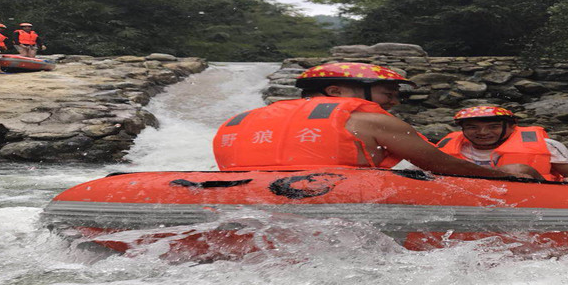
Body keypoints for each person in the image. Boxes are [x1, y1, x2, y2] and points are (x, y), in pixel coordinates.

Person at [213, 62, 531, 179]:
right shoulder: (365, 117)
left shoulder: (243, 116)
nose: (393, 100)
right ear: (335, 91)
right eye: (385, 92)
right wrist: (506, 178)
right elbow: (441, 165)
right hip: (335, 200)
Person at [436, 106, 568, 182]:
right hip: (470, 198)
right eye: (472, 127)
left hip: (535, 196)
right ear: (462, 129)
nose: (482, 132)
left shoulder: (548, 145)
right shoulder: (445, 147)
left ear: (512, 126)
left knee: (517, 169)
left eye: (493, 127)